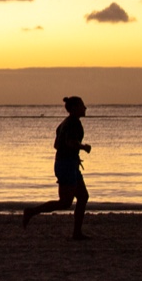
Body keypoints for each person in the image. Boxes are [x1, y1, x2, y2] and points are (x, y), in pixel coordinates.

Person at [22, 95, 91, 239]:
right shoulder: (73, 123)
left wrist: (75, 155)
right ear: (73, 109)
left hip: (68, 163)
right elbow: (69, 142)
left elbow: (56, 145)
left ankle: (77, 233)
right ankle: (31, 212)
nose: (85, 108)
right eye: (82, 105)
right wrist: (83, 147)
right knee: (65, 203)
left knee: (83, 197)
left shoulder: (64, 123)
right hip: (66, 165)